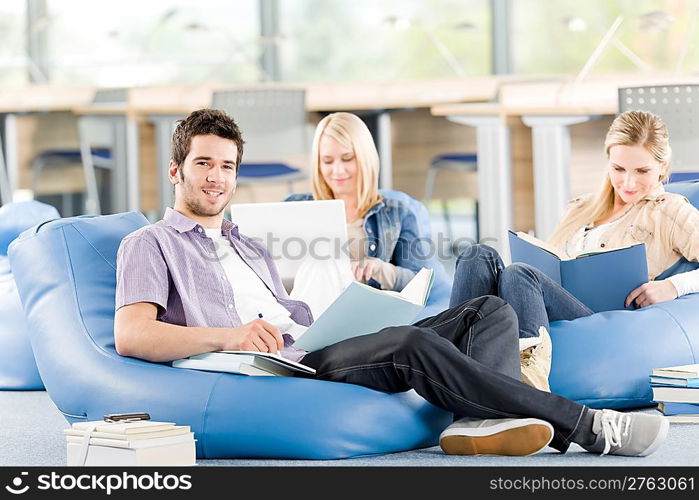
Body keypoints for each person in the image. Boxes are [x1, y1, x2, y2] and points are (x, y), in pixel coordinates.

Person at [114, 108, 669, 458]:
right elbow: (133, 336)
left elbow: (291, 309)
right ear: (176, 170)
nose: (216, 177)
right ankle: (589, 427)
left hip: (312, 339)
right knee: (413, 343)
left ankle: (480, 421)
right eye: (204, 164)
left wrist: (343, 308)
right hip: (276, 363)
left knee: (489, 312)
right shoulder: (149, 244)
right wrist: (230, 336)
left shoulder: (246, 240)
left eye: (228, 166)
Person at [451, 110, 699, 392]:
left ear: (663, 167)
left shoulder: (670, 210)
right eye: (619, 169)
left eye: (642, 171)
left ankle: (527, 386)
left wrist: (673, 286)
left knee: (520, 275)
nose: (628, 183)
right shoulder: (581, 207)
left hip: (600, 320)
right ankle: (449, 362)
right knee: (477, 255)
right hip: (549, 306)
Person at [284, 112, 450, 316]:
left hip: (366, 315)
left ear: (365, 158)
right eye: (327, 161)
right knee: (320, 265)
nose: (337, 170)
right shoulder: (294, 207)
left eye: (347, 159)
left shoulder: (399, 211)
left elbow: (424, 284)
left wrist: (380, 269)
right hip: (308, 308)